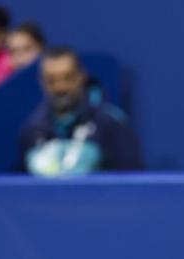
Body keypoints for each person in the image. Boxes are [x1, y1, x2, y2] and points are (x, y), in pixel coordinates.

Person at [19, 47, 143, 176]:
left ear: (82, 76)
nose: (60, 87)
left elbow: (131, 183)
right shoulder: (31, 130)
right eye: (51, 80)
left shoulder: (111, 123)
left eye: (68, 77)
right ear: (41, 82)